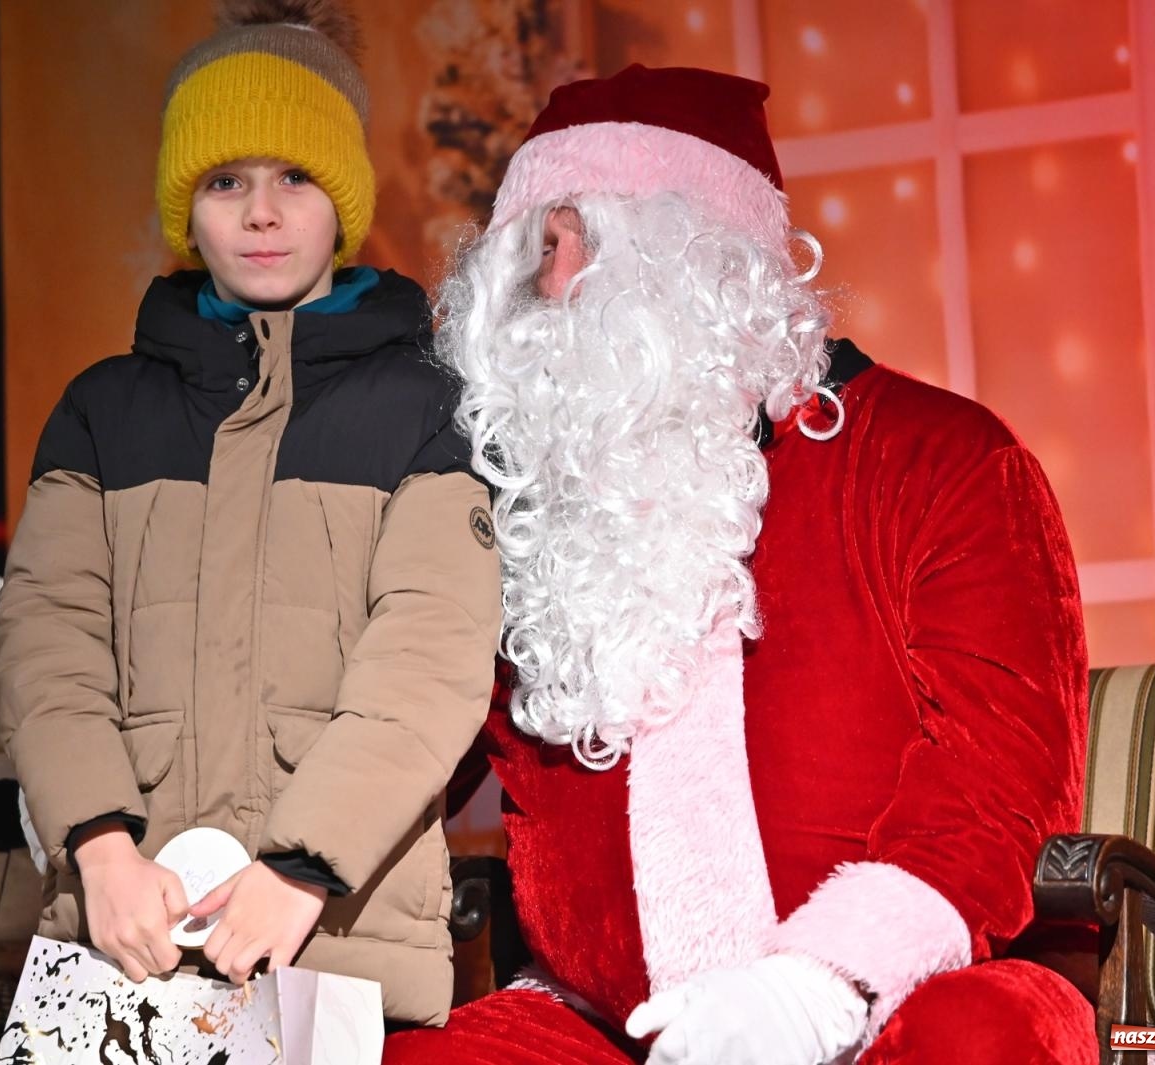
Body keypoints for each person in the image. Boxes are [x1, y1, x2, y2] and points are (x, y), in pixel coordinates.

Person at [386, 64, 1093, 1063]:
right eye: (528, 251)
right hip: (616, 1025)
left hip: (904, 998)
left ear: (695, 252)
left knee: (977, 1038)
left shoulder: (936, 457)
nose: (546, 288)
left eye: (572, 239)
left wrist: (818, 985)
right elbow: (412, 732)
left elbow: (1000, 780)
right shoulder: (528, 517)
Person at [0, 0, 501, 1027]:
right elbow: (49, 645)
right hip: (126, 937)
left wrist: (304, 866)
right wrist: (97, 845)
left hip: (336, 940)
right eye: (226, 181)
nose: (260, 214)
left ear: (342, 197)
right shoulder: (102, 412)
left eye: (295, 178)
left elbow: (430, 660)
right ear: (188, 204)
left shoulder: (425, 410)